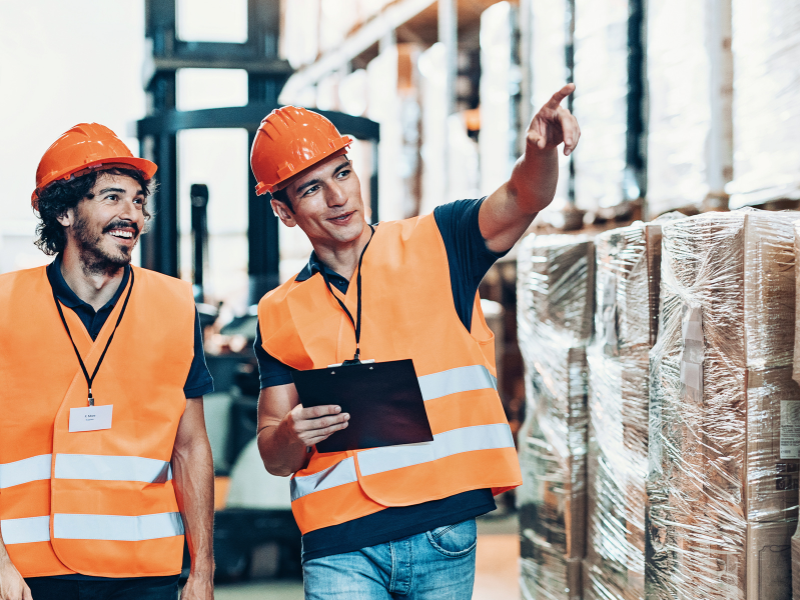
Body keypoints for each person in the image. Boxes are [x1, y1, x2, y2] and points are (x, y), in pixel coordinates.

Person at [252, 84, 580, 599]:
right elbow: (274, 455)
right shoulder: (279, 310)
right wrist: (293, 434)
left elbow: (523, 196)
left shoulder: (439, 241)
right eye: (312, 188)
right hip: (340, 541)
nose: (339, 197)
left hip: (441, 528)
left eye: (343, 173)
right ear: (284, 211)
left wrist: (539, 153)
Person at [0, 124, 215, 600]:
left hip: (145, 571)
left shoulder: (175, 306)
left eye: (138, 201)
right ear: (63, 210)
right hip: (31, 574)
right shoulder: (4, 305)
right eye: (113, 197)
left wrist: (202, 573)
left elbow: (191, 447)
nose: (132, 214)